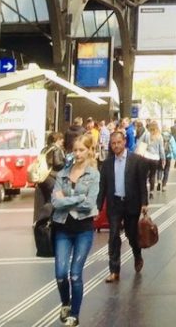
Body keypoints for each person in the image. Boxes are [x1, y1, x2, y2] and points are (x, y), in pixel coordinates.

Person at [50, 134, 100, 327]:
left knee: (75, 273)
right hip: (62, 227)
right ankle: (65, 303)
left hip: (83, 229)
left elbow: (90, 205)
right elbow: (55, 202)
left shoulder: (93, 174)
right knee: (60, 273)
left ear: (89, 151)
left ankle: (75, 314)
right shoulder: (63, 173)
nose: (78, 154)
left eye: (82, 150)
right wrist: (78, 198)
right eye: (75, 150)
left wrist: (68, 198)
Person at [97, 129, 149, 283]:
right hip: (114, 204)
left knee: (131, 234)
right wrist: (98, 207)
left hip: (131, 203)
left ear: (124, 142)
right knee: (113, 236)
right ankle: (114, 270)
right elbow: (102, 187)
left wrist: (144, 203)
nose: (116, 146)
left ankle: (137, 254)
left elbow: (141, 184)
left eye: (119, 142)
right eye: (113, 143)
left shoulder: (136, 160)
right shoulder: (106, 164)